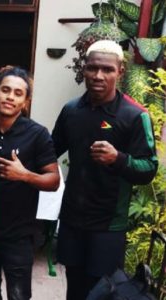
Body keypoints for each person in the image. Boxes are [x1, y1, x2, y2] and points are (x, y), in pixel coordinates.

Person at [52, 40, 158, 300]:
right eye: (92, 68)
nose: (99, 75)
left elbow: (148, 168)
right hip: (73, 220)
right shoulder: (71, 111)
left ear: (120, 71)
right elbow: (49, 150)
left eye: (107, 69)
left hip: (108, 226)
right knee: (74, 289)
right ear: (84, 70)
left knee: (103, 292)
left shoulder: (134, 115)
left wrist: (118, 158)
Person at [0, 66, 60, 300]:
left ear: (26, 102)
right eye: (5, 90)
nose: (10, 96)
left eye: (18, 93)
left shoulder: (38, 134)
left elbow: (53, 181)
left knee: (18, 296)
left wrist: (25, 175)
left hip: (19, 235)